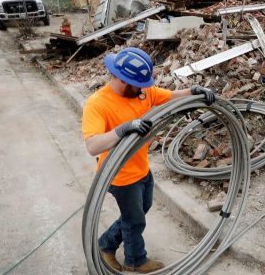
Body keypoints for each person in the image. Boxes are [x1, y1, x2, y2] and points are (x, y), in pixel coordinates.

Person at [81, 47, 215, 273]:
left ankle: (106, 244)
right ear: (124, 81)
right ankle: (136, 260)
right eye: (139, 85)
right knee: (135, 221)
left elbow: (171, 97)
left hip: (142, 169)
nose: (145, 90)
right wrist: (122, 130)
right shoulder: (98, 104)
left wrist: (194, 91)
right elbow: (92, 146)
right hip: (120, 176)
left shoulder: (142, 92)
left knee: (141, 209)